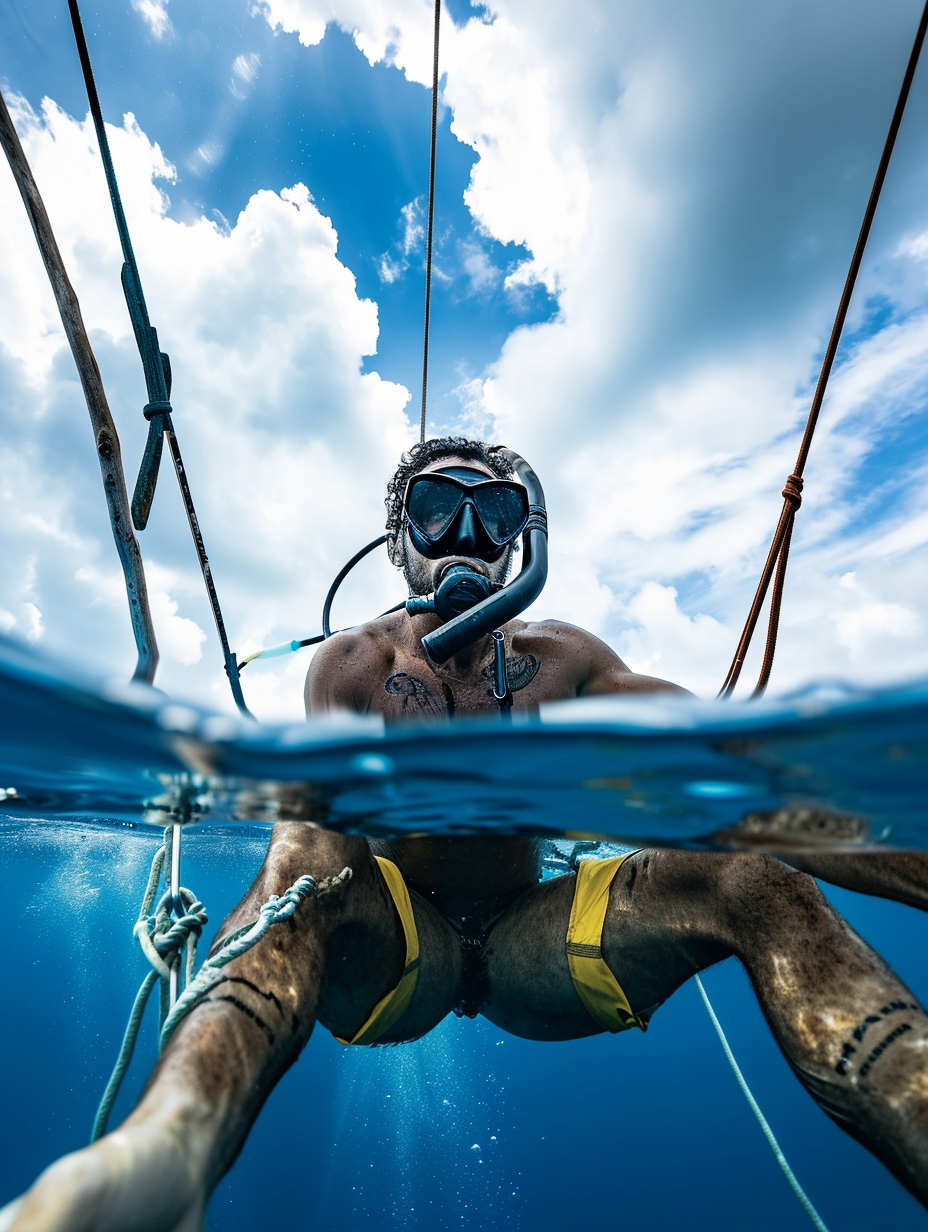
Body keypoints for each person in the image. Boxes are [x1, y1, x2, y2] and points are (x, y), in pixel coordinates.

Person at [3, 436, 928, 1231]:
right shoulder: (353, 665)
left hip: (537, 944)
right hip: (407, 951)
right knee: (309, 854)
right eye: (438, 509)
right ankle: (170, 1142)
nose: (467, 540)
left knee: (753, 878)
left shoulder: (564, 660)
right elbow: (323, 829)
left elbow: (742, 776)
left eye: (493, 515)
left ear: (523, 539)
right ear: (400, 536)